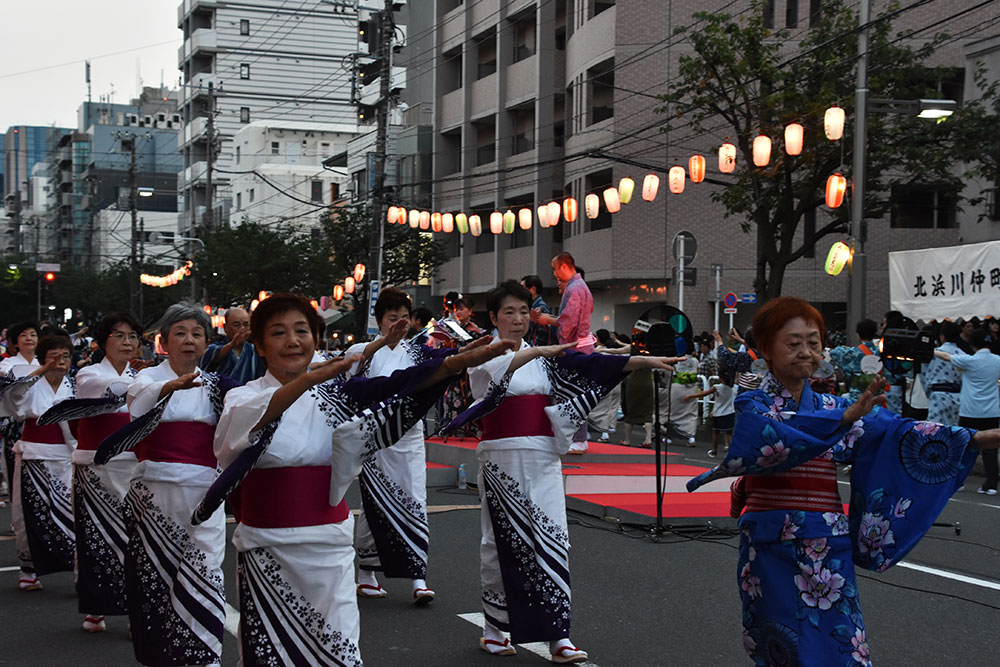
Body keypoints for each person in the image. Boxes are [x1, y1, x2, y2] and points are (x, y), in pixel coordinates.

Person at [204, 293, 514, 666]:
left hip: (330, 548)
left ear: (316, 340)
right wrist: (308, 382)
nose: (293, 341)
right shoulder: (244, 398)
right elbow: (251, 427)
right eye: (278, 332)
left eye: (302, 331)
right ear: (259, 345)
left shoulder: (334, 395)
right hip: (269, 549)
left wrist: (453, 364)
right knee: (272, 653)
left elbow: (396, 386)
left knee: (338, 649)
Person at [687, 296, 1000, 665]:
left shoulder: (834, 406)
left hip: (827, 539)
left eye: (814, 342)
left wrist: (972, 440)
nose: (807, 352)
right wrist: (842, 421)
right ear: (767, 349)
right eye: (794, 343)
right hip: (770, 538)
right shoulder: (754, 398)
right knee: (782, 644)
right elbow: (770, 436)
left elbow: (894, 434)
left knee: (842, 643)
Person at [444, 280, 683, 663]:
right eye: (509, 312)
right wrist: (541, 349)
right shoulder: (484, 352)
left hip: (543, 457)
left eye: (524, 312)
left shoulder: (544, 356)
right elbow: (506, 369)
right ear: (494, 317)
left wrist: (644, 360)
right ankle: (494, 629)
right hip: (502, 457)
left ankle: (559, 634)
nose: (519, 319)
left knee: (553, 537)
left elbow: (593, 364)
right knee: (502, 542)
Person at [97, 304, 237, 667]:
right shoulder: (145, 381)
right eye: (180, 332)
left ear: (207, 342)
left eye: (196, 334)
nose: (188, 340)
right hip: (153, 495)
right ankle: (161, 655)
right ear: (163, 341)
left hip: (204, 496)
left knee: (204, 573)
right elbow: (138, 406)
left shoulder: (218, 387)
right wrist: (169, 387)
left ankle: (204, 658)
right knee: (156, 577)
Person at [39, 313, 147, 632]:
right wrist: (154, 382)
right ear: (102, 342)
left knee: (136, 536)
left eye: (133, 337)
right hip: (95, 466)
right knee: (96, 535)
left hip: (133, 464)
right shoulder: (87, 374)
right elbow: (112, 389)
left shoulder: (143, 376)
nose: (127, 342)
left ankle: (134, 609)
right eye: (119, 336)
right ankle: (97, 607)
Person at [343, 287, 438, 602]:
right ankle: (366, 573)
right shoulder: (362, 349)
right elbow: (348, 380)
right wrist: (382, 342)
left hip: (409, 438)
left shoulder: (418, 352)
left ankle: (417, 578)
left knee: (415, 501)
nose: (400, 324)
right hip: (375, 439)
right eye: (392, 318)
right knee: (374, 506)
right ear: (379, 320)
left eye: (405, 318)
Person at [0, 334, 77, 592]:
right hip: (35, 453)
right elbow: (14, 400)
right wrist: (39, 371)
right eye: (54, 356)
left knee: (70, 511)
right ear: (43, 359)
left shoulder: (73, 385)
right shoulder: (31, 383)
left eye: (65, 355)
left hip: (67, 455)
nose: (61, 361)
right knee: (29, 513)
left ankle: (77, 567)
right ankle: (29, 568)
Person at [531, 252, 595, 454]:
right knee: (573, 394)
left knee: (572, 394)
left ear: (564, 267)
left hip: (575, 347)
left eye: (555, 269)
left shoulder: (575, 288)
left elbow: (568, 324)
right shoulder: (581, 287)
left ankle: (578, 439)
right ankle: (574, 438)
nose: (555, 275)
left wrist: (548, 321)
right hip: (581, 345)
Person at [934, 327, 1000, 495]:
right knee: (990, 448)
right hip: (992, 410)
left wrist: (931, 350)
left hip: (970, 410)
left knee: (963, 446)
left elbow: (947, 356)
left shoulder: (969, 360)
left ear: (972, 344)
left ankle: (959, 481)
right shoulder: (997, 360)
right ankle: (991, 484)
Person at [0, 321, 40, 495]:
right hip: (15, 426)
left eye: (32, 335)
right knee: (17, 478)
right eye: (23, 336)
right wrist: (43, 371)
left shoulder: (44, 362)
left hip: (41, 425)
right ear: (15, 342)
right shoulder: (7, 364)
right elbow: (13, 382)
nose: (28, 339)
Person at [199, 306, 266, 383]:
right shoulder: (213, 348)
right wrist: (233, 344)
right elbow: (213, 357)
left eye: (246, 325)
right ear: (225, 328)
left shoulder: (255, 350)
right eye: (236, 325)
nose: (242, 328)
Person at [922, 322, 963, 426]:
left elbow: (924, 375)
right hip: (959, 397)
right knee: (956, 431)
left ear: (942, 336)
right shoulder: (963, 355)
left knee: (936, 431)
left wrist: (928, 393)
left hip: (938, 396)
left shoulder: (933, 354)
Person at [521, 275, 556, 346]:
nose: (520, 292)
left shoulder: (540, 308)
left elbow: (542, 337)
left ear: (533, 289)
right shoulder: (532, 306)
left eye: (523, 289)